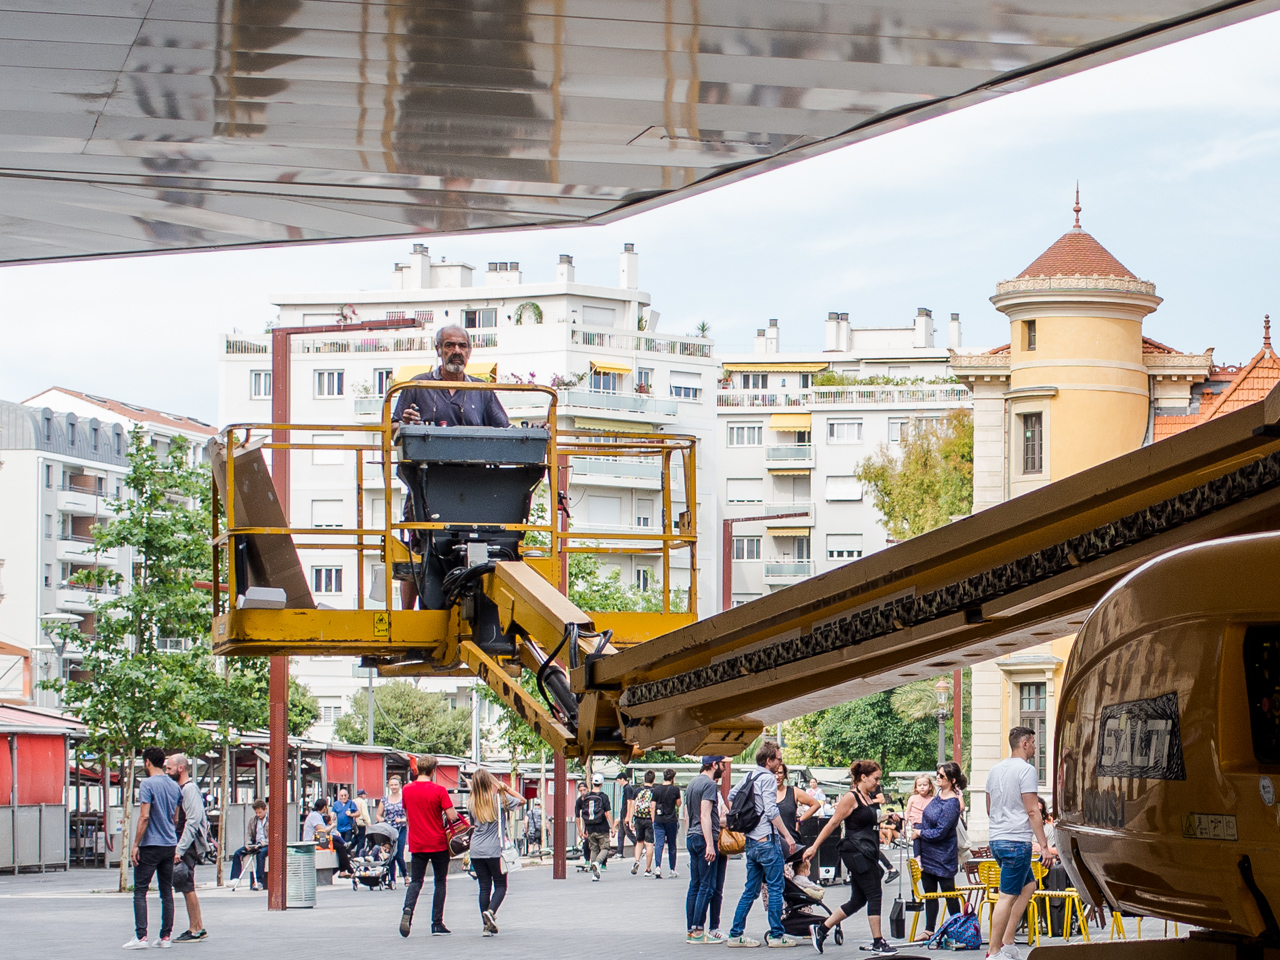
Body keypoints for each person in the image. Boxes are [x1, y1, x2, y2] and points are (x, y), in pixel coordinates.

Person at [391, 325, 511, 610]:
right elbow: (393, 427)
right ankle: (408, 616)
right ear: (438, 350)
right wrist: (405, 424)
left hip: (472, 489)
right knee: (417, 548)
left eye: (462, 346)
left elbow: (504, 430)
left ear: (469, 351)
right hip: (427, 486)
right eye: (449, 345)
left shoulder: (481, 390)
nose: (456, 351)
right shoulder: (417, 387)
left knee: (477, 547)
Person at [804, 760, 896, 956]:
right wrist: (814, 846)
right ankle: (878, 941)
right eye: (875, 779)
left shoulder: (867, 797)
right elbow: (833, 823)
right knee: (874, 893)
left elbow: (867, 820)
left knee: (858, 899)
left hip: (867, 850)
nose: (877, 783)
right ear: (863, 777)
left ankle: (821, 929)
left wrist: (888, 817)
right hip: (855, 850)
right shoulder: (850, 797)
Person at [985, 727, 1056, 960]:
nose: (1036, 747)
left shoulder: (995, 770)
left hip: (997, 838)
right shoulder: (1026, 770)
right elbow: (1033, 810)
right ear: (1024, 744)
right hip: (1017, 841)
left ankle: (1007, 943)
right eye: (1034, 743)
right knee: (1006, 896)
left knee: (1028, 886)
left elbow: (989, 806)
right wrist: (1044, 846)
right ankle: (994, 952)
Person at [725, 740, 799, 948]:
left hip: (751, 842)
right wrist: (787, 835)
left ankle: (735, 934)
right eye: (779, 759)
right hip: (767, 840)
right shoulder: (767, 778)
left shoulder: (751, 775)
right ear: (769, 760)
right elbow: (771, 810)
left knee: (750, 889)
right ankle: (776, 935)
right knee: (776, 887)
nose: (780, 763)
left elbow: (732, 795)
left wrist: (750, 815)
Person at [123, 746, 182, 950]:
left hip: (150, 844)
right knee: (166, 891)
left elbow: (145, 816)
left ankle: (141, 937)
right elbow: (175, 818)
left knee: (140, 890)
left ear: (147, 761)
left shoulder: (146, 784)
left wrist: (135, 844)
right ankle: (165, 937)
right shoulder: (174, 786)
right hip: (169, 843)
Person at [400, 754, 463, 938]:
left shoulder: (407, 789)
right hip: (437, 842)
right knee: (439, 882)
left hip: (417, 842)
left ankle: (408, 909)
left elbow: (407, 813)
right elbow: (452, 817)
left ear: (418, 769)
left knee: (416, 881)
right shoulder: (439, 790)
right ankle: (436, 923)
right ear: (433, 770)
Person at [468, 768, 527, 936]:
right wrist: (505, 788)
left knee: (484, 886)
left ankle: (486, 926)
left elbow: (473, 824)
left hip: (476, 850)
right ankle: (491, 912)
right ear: (489, 783)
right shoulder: (499, 800)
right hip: (495, 849)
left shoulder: (471, 802)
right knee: (501, 885)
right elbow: (522, 801)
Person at [916, 762, 967, 941]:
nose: (937, 778)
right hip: (928, 852)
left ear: (952, 780)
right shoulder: (938, 795)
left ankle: (959, 929)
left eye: (941, 776)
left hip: (944, 854)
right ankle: (929, 929)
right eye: (937, 774)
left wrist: (920, 832)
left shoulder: (952, 803)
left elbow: (941, 831)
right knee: (930, 893)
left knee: (948, 892)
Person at [685, 755, 730, 944]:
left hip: (692, 837)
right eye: (721, 764)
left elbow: (690, 815)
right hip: (705, 838)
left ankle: (691, 928)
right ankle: (698, 930)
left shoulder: (692, 783)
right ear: (714, 764)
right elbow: (705, 815)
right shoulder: (709, 785)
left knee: (695, 884)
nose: (723, 767)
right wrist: (710, 844)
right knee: (707, 885)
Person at [166, 752, 209, 944]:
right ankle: (198, 927)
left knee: (187, 885)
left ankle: (195, 929)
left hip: (188, 844)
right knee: (186, 886)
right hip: (187, 843)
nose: (167, 771)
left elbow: (192, 821)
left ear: (180, 768)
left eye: (169, 768)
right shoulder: (184, 788)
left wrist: (179, 849)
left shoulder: (189, 789)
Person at [576, 773, 614, 879]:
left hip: (590, 827)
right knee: (605, 847)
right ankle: (597, 863)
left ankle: (594, 875)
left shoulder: (586, 797)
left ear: (592, 783)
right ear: (601, 784)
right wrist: (613, 827)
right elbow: (607, 813)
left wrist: (583, 829)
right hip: (602, 826)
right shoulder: (603, 797)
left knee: (593, 849)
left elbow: (583, 813)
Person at [303, 797, 352, 876]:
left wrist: (334, 831)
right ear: (324, 807)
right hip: (314, 842)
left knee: (340, 847)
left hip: (319, 840)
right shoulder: (315, 816)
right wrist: (333, 826)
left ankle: (344, 870)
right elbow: (322, 831)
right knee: (341, 848)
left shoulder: (315, 815)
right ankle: (348, 870)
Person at [377, 774, 408, 888]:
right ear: (388, 786)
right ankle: (392, 879)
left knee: (399, 854)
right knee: (390, 855)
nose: (394, 787)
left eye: (396, 785)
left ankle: (405, 875)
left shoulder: (405, 798)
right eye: (391, 785)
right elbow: (378, 815)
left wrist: (402, 820)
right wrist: (381, 819)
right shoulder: (384, 799)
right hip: (388, 829)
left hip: (400, 828)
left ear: (400, 785)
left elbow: (408, 816)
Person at [230, 800, 268, 890]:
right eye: (256, 813)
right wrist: (248, 844)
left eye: (260, 812)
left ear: (265, 809)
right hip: (255, 843)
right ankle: (235, 878)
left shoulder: (271, 819)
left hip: (266, 844)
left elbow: (273, 837)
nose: (258, 815)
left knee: (261, 854)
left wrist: (261, 843)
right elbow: (248, 834)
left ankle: (259, 881)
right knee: (237, 853)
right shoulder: (253, 820)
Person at [651, 767, 682, 879]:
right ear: (673, 778)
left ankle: (658, 867)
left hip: (659, 820)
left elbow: (653, 806)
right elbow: (679, 804)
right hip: (671, 820)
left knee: (659, 844)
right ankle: (672, 869)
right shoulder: (675, 790)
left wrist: (653, 820)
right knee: (672, 845)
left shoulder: (656, 789)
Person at [629, 770, 656, 876]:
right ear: (653, 780)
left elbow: (632, 805)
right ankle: (648, 869)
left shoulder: (637, 791)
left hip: (638, 818)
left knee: (639, 842)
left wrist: (631, 820)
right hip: (649, 819)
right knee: (649, 844)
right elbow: (653, 806)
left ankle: (637, 860)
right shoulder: (654, 791)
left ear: (644, 779)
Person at [904, 774, 934, 859]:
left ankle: (926, 857)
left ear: (930, 787)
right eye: (919, 785)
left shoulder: (932, 800)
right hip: (917, 824)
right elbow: (907, 813)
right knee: (916, 839)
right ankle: (917, 857)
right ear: (916, 787)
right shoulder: (913, 798)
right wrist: (904, 825)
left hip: (928, 825)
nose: (922, 787)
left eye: (925, 785)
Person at [615, 771, 637, 860]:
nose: (618, 782)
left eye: (618, 780)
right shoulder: (625, 788)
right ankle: (619, 852)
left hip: (625, 814)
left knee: (628, 833)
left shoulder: (628, 788)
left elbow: (629, 802)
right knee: (621, 834)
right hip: (623, 814)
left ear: (622, 779)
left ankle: (640, 847)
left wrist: (628, 816)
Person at [353, 789, 372, 855]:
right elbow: (365, 813)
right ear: (362, 795)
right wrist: (368, 822)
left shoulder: (353, 801)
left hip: (353, 822)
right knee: (361, 839)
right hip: (360, 822)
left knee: (356, 837)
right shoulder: (362, 802)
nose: (365, 796)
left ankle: (349, 849)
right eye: (365, 794)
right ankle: (358, 854)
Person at [574, 781, 590, 862]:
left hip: (594, 821)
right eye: (581, 791)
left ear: (587, 789)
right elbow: (577, 816)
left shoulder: (591, 798)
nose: (583, 792)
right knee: (586, 842)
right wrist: (580, 830)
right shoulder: (579, 801)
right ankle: (587, 859)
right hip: (585, 823)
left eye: (584, 790)